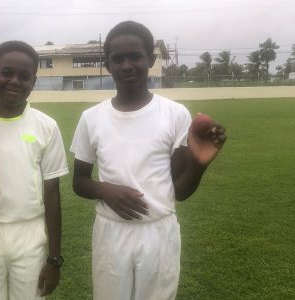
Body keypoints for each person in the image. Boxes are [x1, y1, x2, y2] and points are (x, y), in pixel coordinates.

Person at [70, 21, 226, 300]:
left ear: (151, 60)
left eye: (135, 56)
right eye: (117, 59)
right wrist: (106, 190)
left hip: (159, 231)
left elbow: (179, 191)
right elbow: (79, 182)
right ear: (108, 64)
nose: (126, 65)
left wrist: (199, 165)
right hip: (110, 233)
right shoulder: (91, 118)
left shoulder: (175, 114)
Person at [0, 40, 69, 300]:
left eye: (24, 76)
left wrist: (54, 260)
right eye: (6, 73)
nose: (14, 82)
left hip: (29, 234)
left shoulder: (46, 126)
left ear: (33, 80)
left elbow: (52, 193)